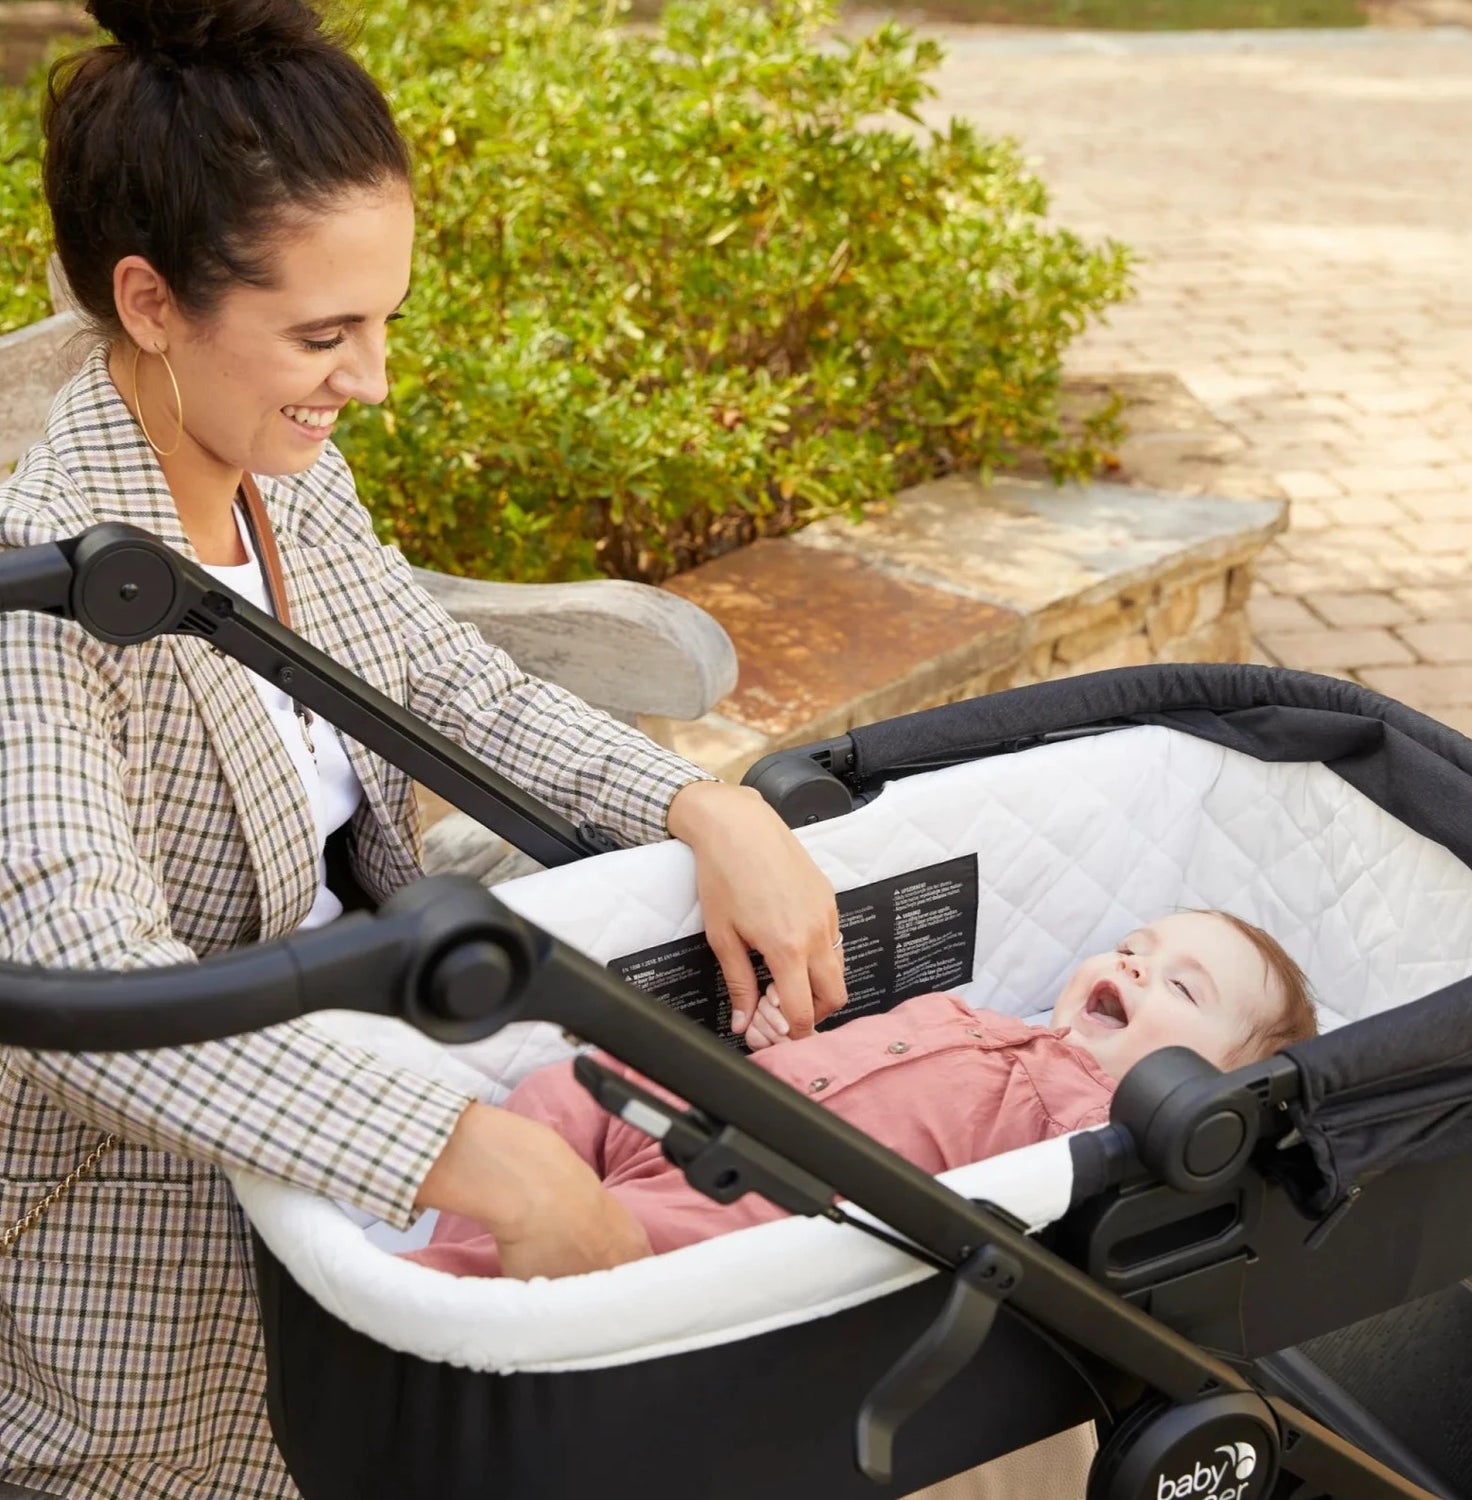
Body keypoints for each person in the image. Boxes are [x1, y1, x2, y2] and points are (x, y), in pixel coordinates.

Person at [0, 2, 847, 1496]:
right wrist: (472, 1156)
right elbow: (86, 975)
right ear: (149, 302)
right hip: (155, 1263)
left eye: (383, 320)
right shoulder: (42, 594)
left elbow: (443, 680)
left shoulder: (277, 474)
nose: (373, 380)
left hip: (386, 1124)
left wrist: (701, 805)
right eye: (325, 335)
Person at [408, 910, 1318, 1274]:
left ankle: (450, 1293)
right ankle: (481, 1239)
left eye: (1182, 987)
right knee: (557, 1085)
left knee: (636, 1248)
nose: (1135, 965)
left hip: (766, 1202)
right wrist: (785, 1038)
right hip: (709, 1106)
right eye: (1137, 945)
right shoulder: (984, 1014)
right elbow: (855, 1052)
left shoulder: (1081, 1127)